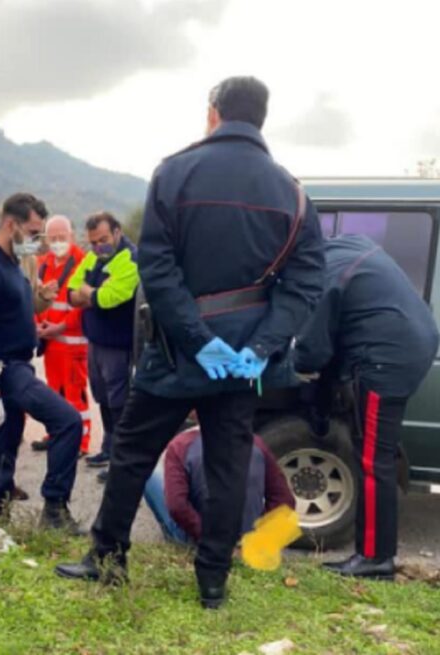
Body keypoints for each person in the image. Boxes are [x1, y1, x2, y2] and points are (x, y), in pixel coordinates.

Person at [56, 76, 324, 609]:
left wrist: (197, 340)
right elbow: (307, 280)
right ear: (261, 118)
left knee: (132, 453)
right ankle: (212, 582)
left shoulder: (175, 172)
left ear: (212, 113)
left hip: (175, 353)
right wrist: (263, 345)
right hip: (242, 364)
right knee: (228, 465)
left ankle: (107, 559)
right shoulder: (293, 194)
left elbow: (155, 267)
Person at [295, 234, 439, 581]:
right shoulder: (350, 246)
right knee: (376, 455)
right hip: (412, 342)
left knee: (375, 461)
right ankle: (375, 555)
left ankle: (375, 559)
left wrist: (287, 362)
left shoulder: (325, 274)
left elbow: (313, 351)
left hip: (385, 360)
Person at [0, 193, 83, 530]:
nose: (37, 241)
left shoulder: (14, 262)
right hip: (5, 371)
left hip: (20, 365)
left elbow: (19, 309)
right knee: (68, 421)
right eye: (32, 233)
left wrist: (40, 300)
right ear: (10, 225)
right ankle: (54, 509)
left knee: (5, 446)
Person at [67, 212, 138, 481]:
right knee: (103, 398)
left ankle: (122, 462)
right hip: (95, 341)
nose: (99, 247)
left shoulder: (130, 259)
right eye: (94, 242)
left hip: (119, 346)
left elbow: (108, 299)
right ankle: (109, 448)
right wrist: (92, 292)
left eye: (104, 240)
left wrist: (91, 292)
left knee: (120, 402)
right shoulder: (95, 256)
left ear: (118, 232)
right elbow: (72, 291)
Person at [143, 428, 294, 545]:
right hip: (249, 541)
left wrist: (210, 539)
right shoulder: (256, 442)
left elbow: (177, 506)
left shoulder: (180, 445)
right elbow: (285, 501)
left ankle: (180, 541)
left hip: (201, 540)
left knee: (147, 469)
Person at [31, 215, 91, 456]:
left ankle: (81, 442)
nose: (57, 242)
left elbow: (83, 305)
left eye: (61, 237)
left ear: (71, 236)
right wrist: (38, 325)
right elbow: (35, 295)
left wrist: (61, 327)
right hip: (51, 341)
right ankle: (56, 433)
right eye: (52, 238)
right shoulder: (43, 263)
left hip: (73, 341)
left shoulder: (84, 263)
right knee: (54, 392)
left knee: (75, 392)